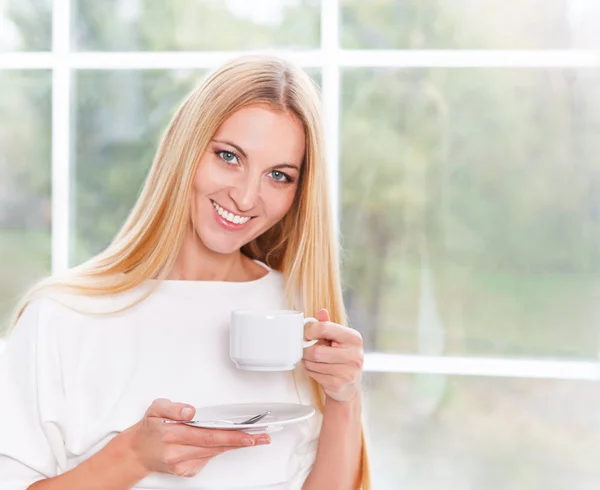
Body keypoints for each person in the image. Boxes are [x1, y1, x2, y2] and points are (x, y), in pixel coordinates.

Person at [0, 54, 371, 489]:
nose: (247, 197)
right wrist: (133, 455)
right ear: (185, 147)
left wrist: (344, 398)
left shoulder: (295, 316)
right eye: (229, 156)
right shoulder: (63, 316)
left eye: (278, 175)